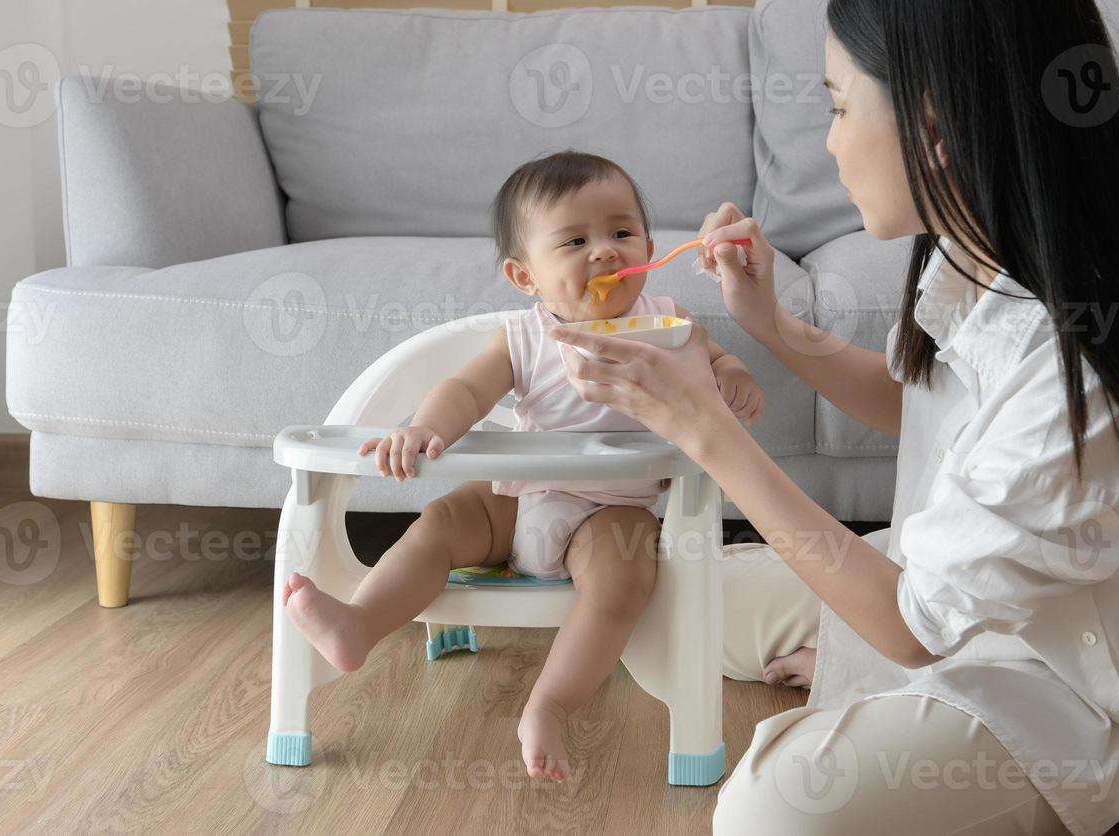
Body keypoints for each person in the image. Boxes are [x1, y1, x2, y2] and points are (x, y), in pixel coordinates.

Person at [548, 0, 1119, 835]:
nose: (827, 142)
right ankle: (866, 663)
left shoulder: (1093, 361)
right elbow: (929, 412)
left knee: (772, 814)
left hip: (1088, 709)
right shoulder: (985, 256)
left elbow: (911, 625)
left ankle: (920, 719)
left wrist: (705, 428)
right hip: (964, 603)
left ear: (935, 121)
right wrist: (772, 326)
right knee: (660, 605)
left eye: (836, 104)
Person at [279, 150, 763, 785]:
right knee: (444, 518)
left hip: (615, 510)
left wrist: (733, 376)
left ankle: (550, 704)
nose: (605, 252)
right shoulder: (522, 337)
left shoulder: (665, 323)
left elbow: (717, 361)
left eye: (622, 232)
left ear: (648, 243)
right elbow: (467, 391)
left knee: (621, 580)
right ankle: (358, 623)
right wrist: (427, 427)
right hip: (519, 500)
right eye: (575, 240)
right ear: (524, 275)